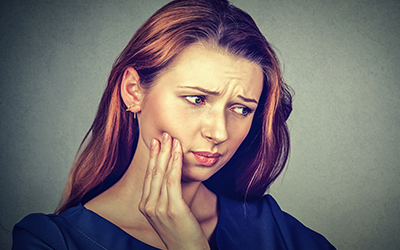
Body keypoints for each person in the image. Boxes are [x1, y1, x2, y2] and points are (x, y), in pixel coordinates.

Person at [12, 0, 335, 249]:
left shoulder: (278, 233)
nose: (219, 133)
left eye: (241, 109)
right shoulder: (54, 241)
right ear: (133, 91)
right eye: (197, 99)